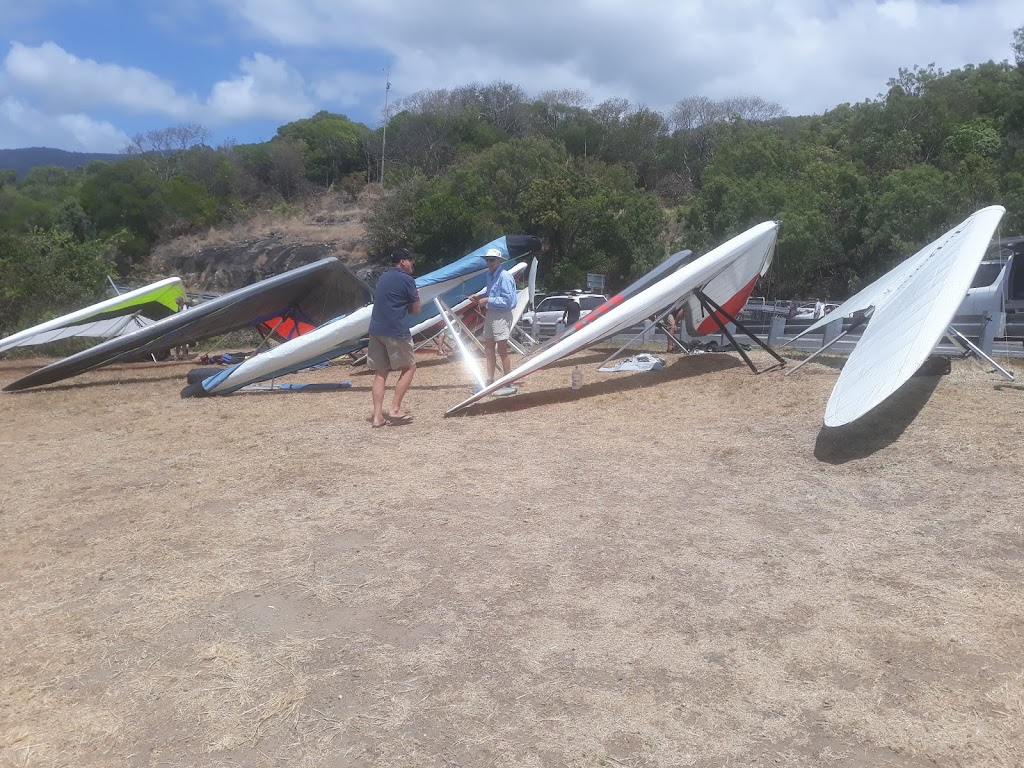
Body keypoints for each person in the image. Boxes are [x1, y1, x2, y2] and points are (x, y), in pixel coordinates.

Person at [367, 249, 421, 428]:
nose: (412, 264)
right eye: (410, 260)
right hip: (395, 330)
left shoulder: (383, 277)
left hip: (376, 330)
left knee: (381, 372)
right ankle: (395, 408)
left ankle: (377, 417)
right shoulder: (407, 280)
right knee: (410, 367)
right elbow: (416, 310)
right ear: (403, 262)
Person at [475, 246, 518, 385]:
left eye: (492, 260)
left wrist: (487, 300)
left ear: (499, 261)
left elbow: (508, 301)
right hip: (491, 313)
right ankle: (490, 380)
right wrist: (479, 297)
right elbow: (491, 293)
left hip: (501, 314)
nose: (489, 263)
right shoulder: (489, 275)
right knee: (488, 348)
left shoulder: (505, 276)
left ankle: (507, 380)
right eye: (487, 260)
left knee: (502, 348)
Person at [173, 294, 190, 360]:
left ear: (181, 301)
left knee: (184, 341)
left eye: (179, 303)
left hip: (186, 326)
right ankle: (177, 355)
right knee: (178, 342)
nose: (178, 305)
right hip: (180, 327)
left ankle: (184, 355)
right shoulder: (179, 308)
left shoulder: (187, 305)